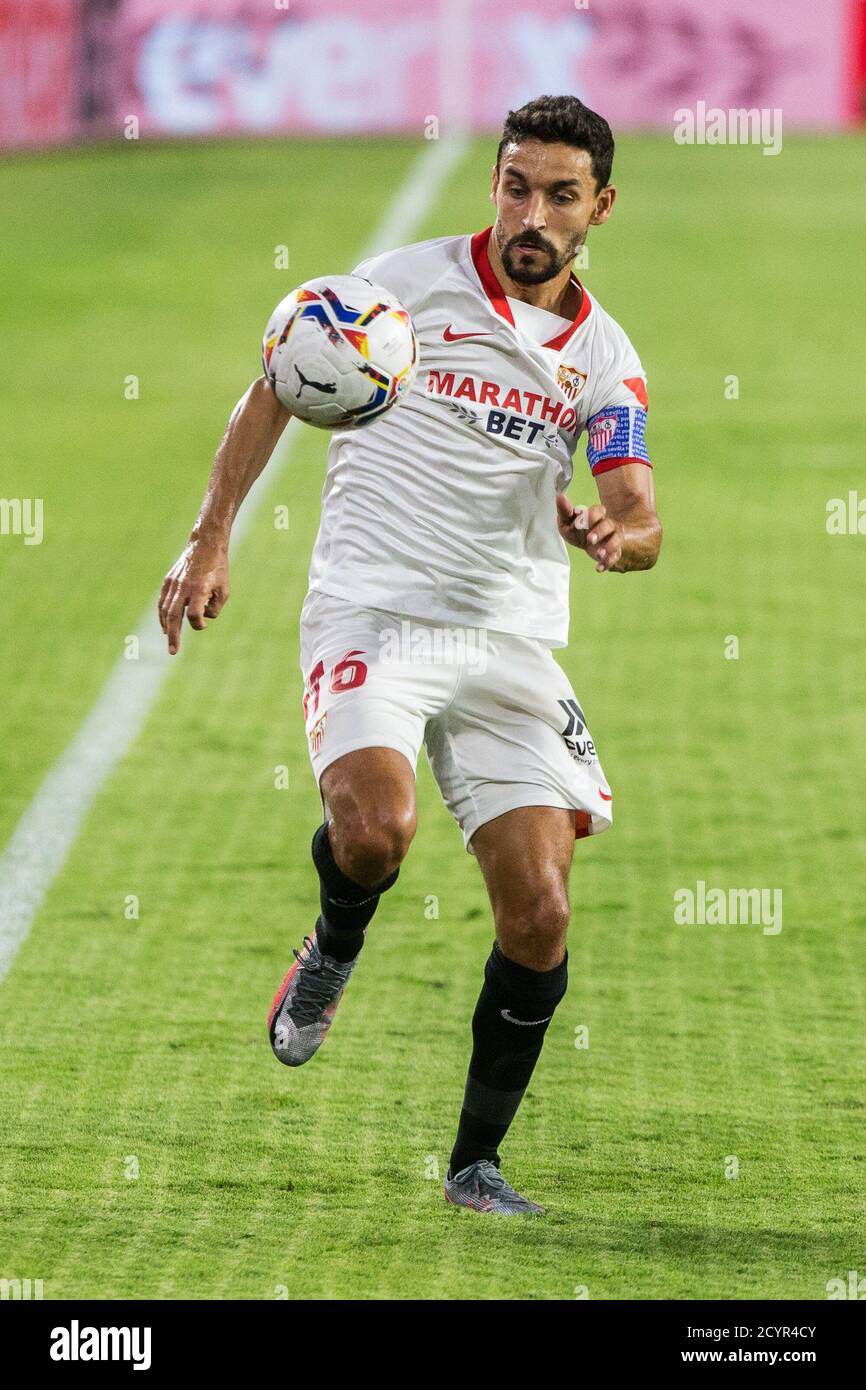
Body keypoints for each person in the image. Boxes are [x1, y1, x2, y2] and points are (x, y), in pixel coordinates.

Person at [158, 95, 662, 1215]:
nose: (530, 211)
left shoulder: (601, 358)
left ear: (600, 208)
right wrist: (209, 536)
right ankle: (333, 947)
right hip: (374, 611)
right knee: (374, 831)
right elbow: (274, 387)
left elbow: (638, 510)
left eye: (559, 194)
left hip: (507, 636)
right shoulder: (396, 287)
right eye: (514, 184)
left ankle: (474, 1164)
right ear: (493, 180)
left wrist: (613, 536)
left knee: (539, 911)